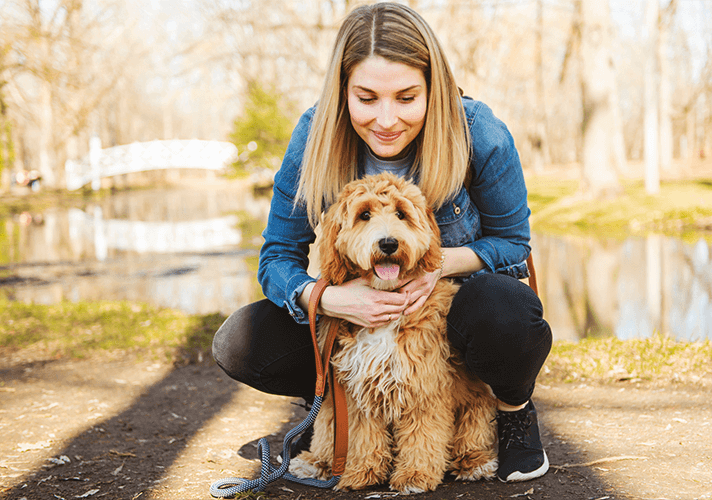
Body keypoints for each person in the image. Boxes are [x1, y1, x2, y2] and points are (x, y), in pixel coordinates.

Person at [212, 2, 552, 484]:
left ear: (433, 89)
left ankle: (511, 408)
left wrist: (437, 266)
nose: (386, 119)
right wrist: (328, 298)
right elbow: (277, 258)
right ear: (343, 92)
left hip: (449, 309)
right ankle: (342, 411)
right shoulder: (314, 137)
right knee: (242, 341)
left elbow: (514, 243)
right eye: (367, 98)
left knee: (503, 307)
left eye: (407, 97)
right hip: (348, 310)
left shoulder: (479, 131)